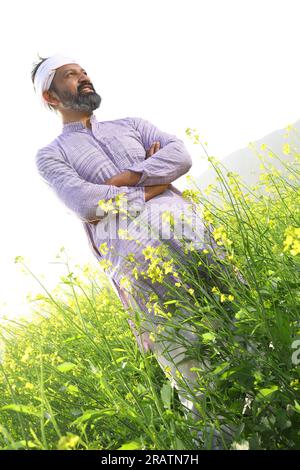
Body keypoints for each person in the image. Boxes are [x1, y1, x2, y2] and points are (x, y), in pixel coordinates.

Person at [32, 54, 229, 446]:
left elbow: (181, 156)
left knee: (243, 337)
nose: (84, 78)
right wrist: (153, 180)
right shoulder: (51, 155)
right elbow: (84, 202)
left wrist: (120, 185)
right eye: (71, 75)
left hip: (199, 250)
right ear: (50, 97)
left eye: (84, 71)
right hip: (143, 276)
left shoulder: (132, 124)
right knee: (193, 375)